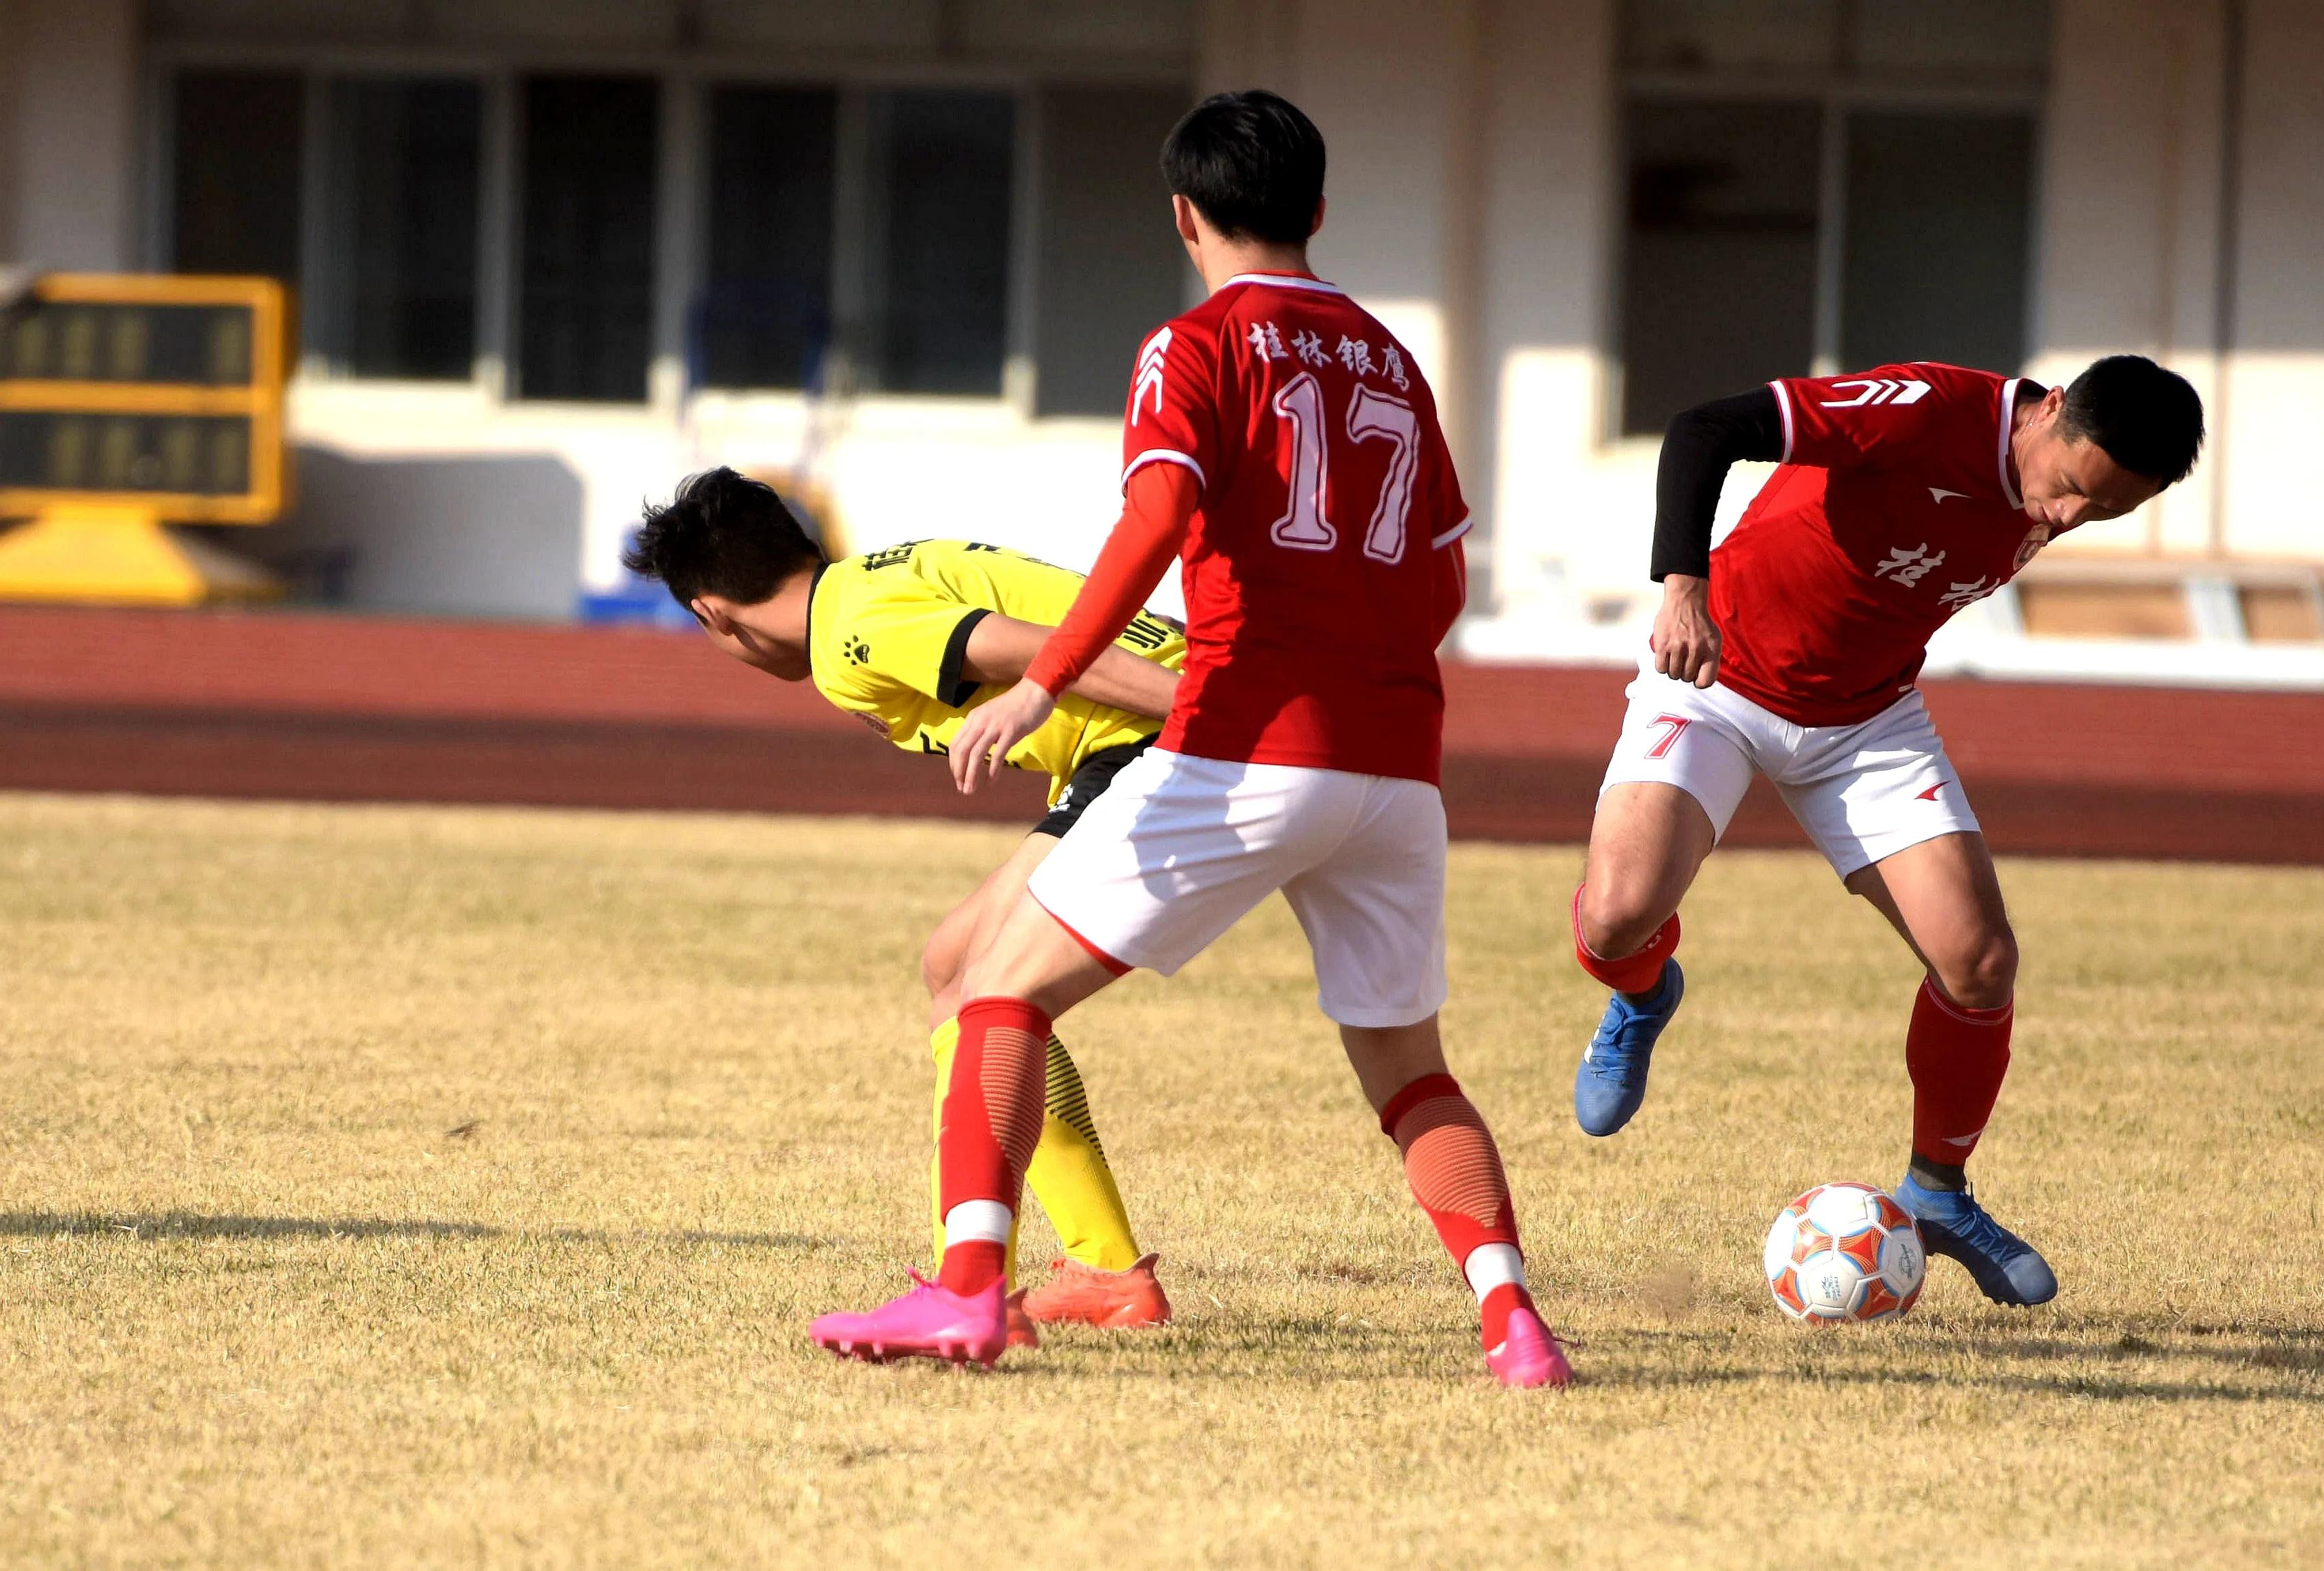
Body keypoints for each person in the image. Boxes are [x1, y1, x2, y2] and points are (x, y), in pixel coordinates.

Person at [808, 90, 1573, 1388]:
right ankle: (1515, 1324)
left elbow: (1155, 517)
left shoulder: (1195, 343)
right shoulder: (1391, 356)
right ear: (1318, 209)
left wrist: (1044, 680)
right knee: (1408, 1071)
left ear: (1182, 214)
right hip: (1396, 767)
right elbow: (1441, 580)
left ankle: (967, 1291)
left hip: (1242, 744)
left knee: (995, 989)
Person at [1573, 353, 2205, 1306]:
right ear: (2046, 413)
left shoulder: (2054, 487)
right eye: (2072, 488)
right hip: (1717, 681)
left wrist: (2074, 498)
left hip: (1866, 720)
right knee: (1615, 917)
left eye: (2105, 513)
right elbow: (1704, 426)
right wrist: (1680, 586)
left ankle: (1938, 1194)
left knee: (1980, 961)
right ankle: (1642, 994)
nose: (2068, 519)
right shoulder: (1919, 410)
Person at [624, 469, 1180, 1338]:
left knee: (976, 986)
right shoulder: (859, 589)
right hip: (1135, 742)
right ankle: (1098, 1268)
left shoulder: (852, 631)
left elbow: (1048, 650)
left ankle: (1002, 1280)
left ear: (711, 614)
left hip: (1156, 737)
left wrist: (1214, 713)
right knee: (955, 967)